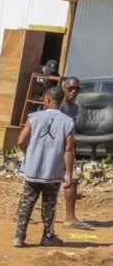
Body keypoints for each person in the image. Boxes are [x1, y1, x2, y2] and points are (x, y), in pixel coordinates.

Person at [14, 86, 77, 248]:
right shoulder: (68, 122)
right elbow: (68, 149)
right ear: (61, 100)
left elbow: (21, 141)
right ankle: (47, 235)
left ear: (47, 99)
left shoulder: (34, 117)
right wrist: (69, 173)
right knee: (49, 204)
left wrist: (29, 153)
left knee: (27, 202)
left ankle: (19, 237)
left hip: (32, 169)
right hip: (53, 171)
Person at [58, 77, 94, 230]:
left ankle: (70, 217)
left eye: (77, 89)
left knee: (70, 179)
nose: (73, 91)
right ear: (63, 88)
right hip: (53, 147)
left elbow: (72, 131)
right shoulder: (56, 104)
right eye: (70, 88)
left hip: (66, 147)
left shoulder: (75, 108)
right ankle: (21, 212)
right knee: (37, 180)